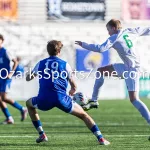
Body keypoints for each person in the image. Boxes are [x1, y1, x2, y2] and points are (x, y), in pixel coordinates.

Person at [26, 40, 110, 145]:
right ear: (59, 52)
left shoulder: (40, 63)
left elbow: (28, 78)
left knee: (29, 104)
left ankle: (42, 134)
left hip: (44, 99)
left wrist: (30, 74)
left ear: (48, 51)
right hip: (61, 99)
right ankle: (101, 138)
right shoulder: (65, 64)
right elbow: (74, 84)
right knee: (84, 115)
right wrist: (72, 90)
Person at [75, 19, 150, 129]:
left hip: (132, 69)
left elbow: (100, 48)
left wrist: (84, 44)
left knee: (134, 99)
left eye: (108, 29)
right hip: (126, 66)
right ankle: (94, 100)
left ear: (114, 28)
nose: (108, 32)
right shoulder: (131, 31)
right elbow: (147, 29)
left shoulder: (115, 37)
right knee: (101, 71)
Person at [0, 34, 27, 124]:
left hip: (5, 78)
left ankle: (22, 109)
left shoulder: (6, 51)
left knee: (4, 97)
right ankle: (9, 118)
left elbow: (15, 61)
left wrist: (11, 73)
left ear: (2, 41)